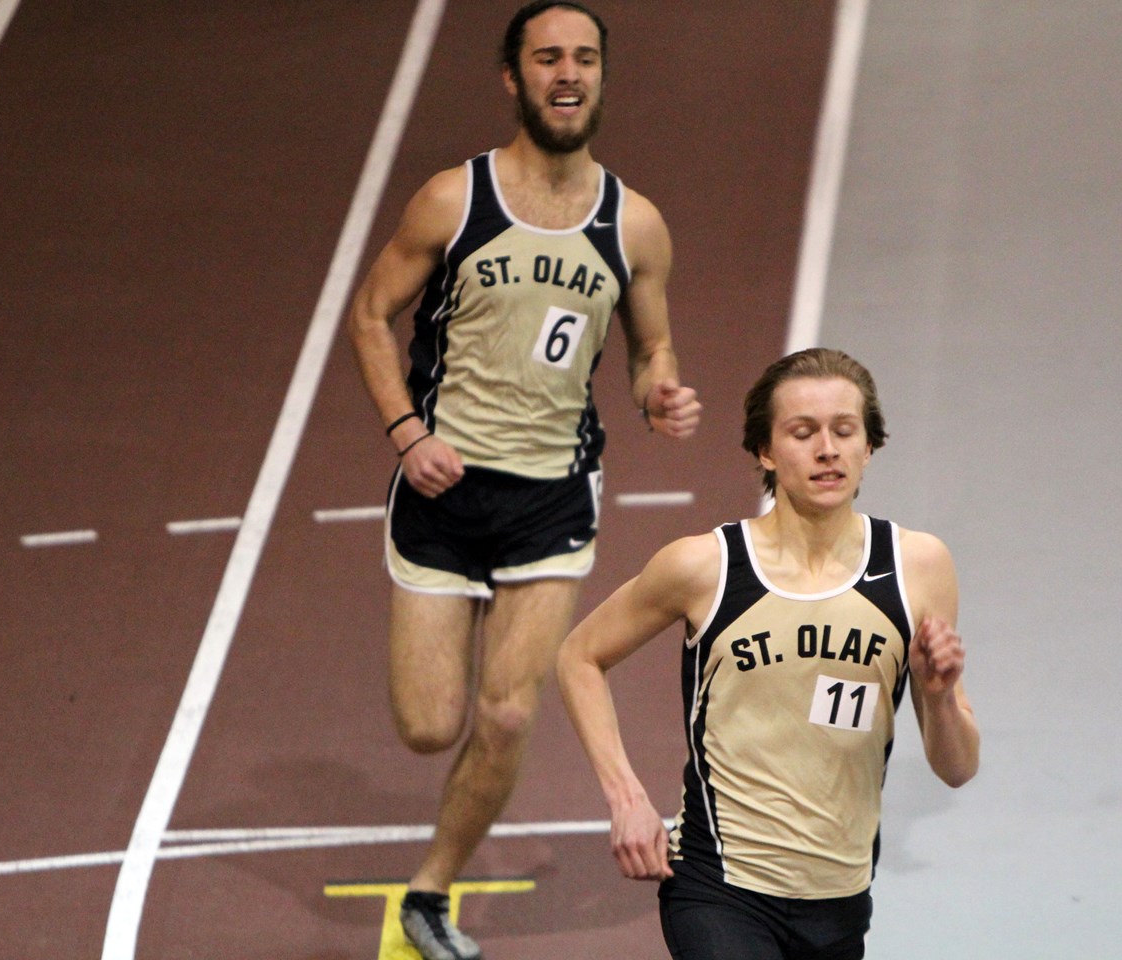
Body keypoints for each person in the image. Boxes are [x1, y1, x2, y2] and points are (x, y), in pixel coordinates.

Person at [346, 3, 701, 958]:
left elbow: (650, 340)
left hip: (552, 495)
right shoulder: (452, 202)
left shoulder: (636, 224)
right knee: (429, 728)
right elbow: (373, 314)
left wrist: (658, 390)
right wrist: (405, 431)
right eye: (547, 57)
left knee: (508, 711)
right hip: (442, 488)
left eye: (584, 57)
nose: (567, 72)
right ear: (514, 78)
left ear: (601, 77)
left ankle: (430, 891)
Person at [558, 347, 979, 959]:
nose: (827, 449)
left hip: (839, 896)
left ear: (870, 447)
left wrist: (938, 698)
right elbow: (580, 656)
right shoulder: (707, 568)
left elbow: (957, 767)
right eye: (802, 432)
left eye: (844, 430)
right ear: (765, 450)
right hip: (719, 888)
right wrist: (626, 797)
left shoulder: (917, 568)